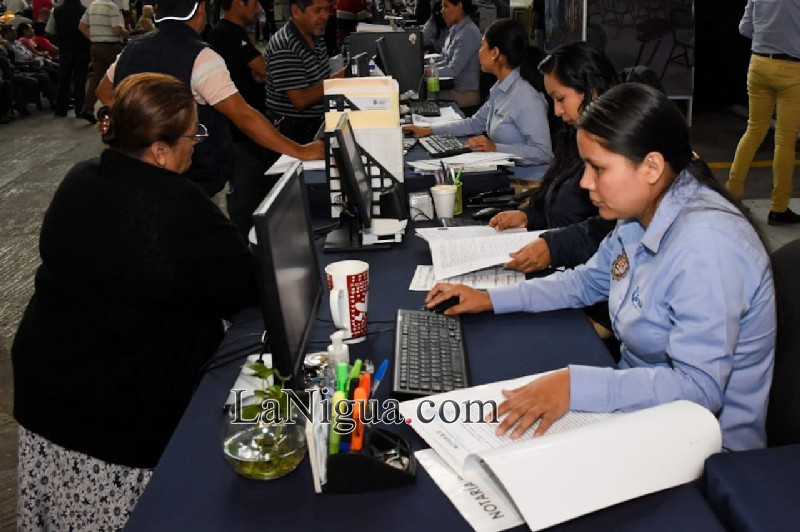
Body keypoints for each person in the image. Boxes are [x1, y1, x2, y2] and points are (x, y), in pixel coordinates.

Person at [425, 83, 776, 453]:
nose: (585, 182)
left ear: (652, 167)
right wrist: (490, 299)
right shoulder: (644, 211)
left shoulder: (708, 246)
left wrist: (576, 387)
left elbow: (700, 390)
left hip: (704, 449)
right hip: (643, 408)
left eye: (597, 168)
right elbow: (586, 282)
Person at [13, 72, 258, 530]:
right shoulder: (176, 207)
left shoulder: (82, 177)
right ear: (160, 150)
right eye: (192, 135)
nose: (196, 146)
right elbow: (246, 286)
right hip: (112, 417)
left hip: (48, 392)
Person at [96, 0, 324, 199]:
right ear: (201, 10)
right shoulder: (201, 57)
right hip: (190, 176)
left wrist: (139, 124)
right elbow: (244, 116)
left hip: (138, 168)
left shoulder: (131, 50)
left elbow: (104, 92)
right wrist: (300, 151)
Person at [488, 41, 617, 274]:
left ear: (592, 91)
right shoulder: (572, 135)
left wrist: (553, 246)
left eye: (560, 99)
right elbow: (556, 201)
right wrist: (527, 216)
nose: (557, 111)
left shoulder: (620, 147)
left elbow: (609, 231)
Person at [404, 18, 552, 168]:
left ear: (495, 53)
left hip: (524, 182)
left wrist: (496, 149)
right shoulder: (501, 88)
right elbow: (474, 123)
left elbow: (543, 152)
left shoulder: (526, 97)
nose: (478, 53)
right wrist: (430, 130)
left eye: (482, 47)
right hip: (503, 172)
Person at [725, 0, 800, 225]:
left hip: (758, 65)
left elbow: (744, 28)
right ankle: (778, 208)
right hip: (792, 69)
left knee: (754, 130)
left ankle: (731, 195)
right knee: (785, 141)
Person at [207, 0, 276, 237]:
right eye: (254, 2)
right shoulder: (226, 34)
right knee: (246, 198)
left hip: (247, 130)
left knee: (257, 191)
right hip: (239, 133)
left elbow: (259, 70)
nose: (258, 8)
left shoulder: (236, 34)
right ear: (238, 3)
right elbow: (265, 68)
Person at [264, 0, 344, 144]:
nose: (325, 16)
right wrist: (338, 79)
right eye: (318, 10)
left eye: (327, 10)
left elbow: (321, 81)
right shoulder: (286, 45)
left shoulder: (316, 35)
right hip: (293, 132)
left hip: (314, 123)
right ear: (296, 11)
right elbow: (300, 100)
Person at [79, 0, 128, 123]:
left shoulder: (92, 6)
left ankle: (88, 108)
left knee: (97, 78)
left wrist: (94, 38)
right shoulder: (112, 7)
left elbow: (82, 26)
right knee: (121, 75)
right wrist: (127, 33)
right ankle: (122, 108)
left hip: (96, 46)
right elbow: (116, 30)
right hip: (111, 47)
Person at [434, 0, 481, 108]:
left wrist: (426, 74)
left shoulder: (469, 33)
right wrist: (425, 69)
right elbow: (445, 60)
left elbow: (453, 70)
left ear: (459, 6)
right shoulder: (456, 30)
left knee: (425, 96)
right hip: (453, 89)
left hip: (465, 94)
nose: (442, 11)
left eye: (446, 6)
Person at [51, 0, 90, 117]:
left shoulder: (56, 11)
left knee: (63, 80)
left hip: (65, 50)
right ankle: (80, 109)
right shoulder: (85, 11)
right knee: (80, 80)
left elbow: (49, 30)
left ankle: (61, 109)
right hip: (82, 49)